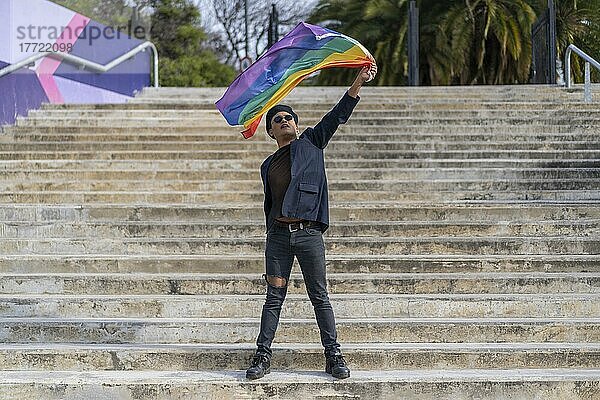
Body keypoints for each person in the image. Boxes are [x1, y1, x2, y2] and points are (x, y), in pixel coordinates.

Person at [245, 61, 378, 380]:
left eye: (288, 117)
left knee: (319, 295)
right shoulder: (267, 165)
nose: (284, 120)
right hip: (278, 238)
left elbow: (337, 116)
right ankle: (262, 356)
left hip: (308, 236)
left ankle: (333, 357)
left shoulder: (311, 143)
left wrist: (357, 83)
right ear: (271, 131)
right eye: (277, 119)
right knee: (274, 296)